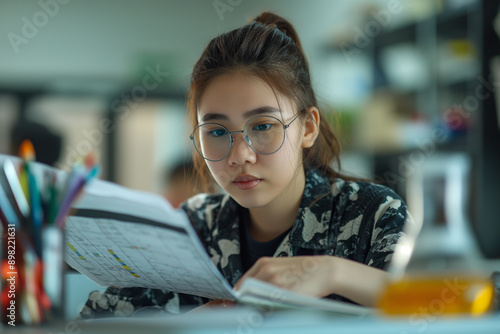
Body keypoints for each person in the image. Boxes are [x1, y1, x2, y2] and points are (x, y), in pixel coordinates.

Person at [80, 12, 412, 318]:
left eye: (263, 126)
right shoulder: (194, 227)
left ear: (307, 127)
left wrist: (334, 272)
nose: (240, 155)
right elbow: (93, 321)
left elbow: (446, 309)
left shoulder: (373, 214)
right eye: (217, 131)